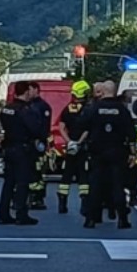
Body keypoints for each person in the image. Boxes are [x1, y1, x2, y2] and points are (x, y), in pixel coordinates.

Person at [81, 80, 137, 230]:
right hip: (117, 152)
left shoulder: (94, 108)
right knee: (117, 186)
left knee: (95, 185)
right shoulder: (122, 110)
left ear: (103, 92)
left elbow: (83, 126)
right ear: (115, 91)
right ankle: (122, 219)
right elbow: (131, 132)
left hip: (97, 153)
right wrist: (133, 152)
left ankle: (91, 219)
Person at [0, 81, 48, 225]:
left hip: (9, 148)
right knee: (22, 183)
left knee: (8, 183)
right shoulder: (25, 110)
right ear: (26, 92)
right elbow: (35, 129)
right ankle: (21, 214)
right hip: (23, 149)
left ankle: (3, 214)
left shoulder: (6, 108)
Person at [57, 80, 93, 214]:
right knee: (83, 176)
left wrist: (69, 142)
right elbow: (88, 129)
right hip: (82, 148)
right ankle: (84, 203)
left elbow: (61, 127)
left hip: (70, 147)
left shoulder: (68, 108)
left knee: (66, 174)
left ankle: (62, 202)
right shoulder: (88, 109)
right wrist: (79, 142)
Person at [27, 86, 53, 210]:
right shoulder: (27, 105)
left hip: (38, 144)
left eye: (30, 89)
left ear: (37, 90)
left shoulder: (43, 106)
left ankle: (38, 198)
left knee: (38, 172)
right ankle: (28, 197)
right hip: (28, 143)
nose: (28, 92)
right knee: (29, 171)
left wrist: (40, 140)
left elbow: (45, 127)